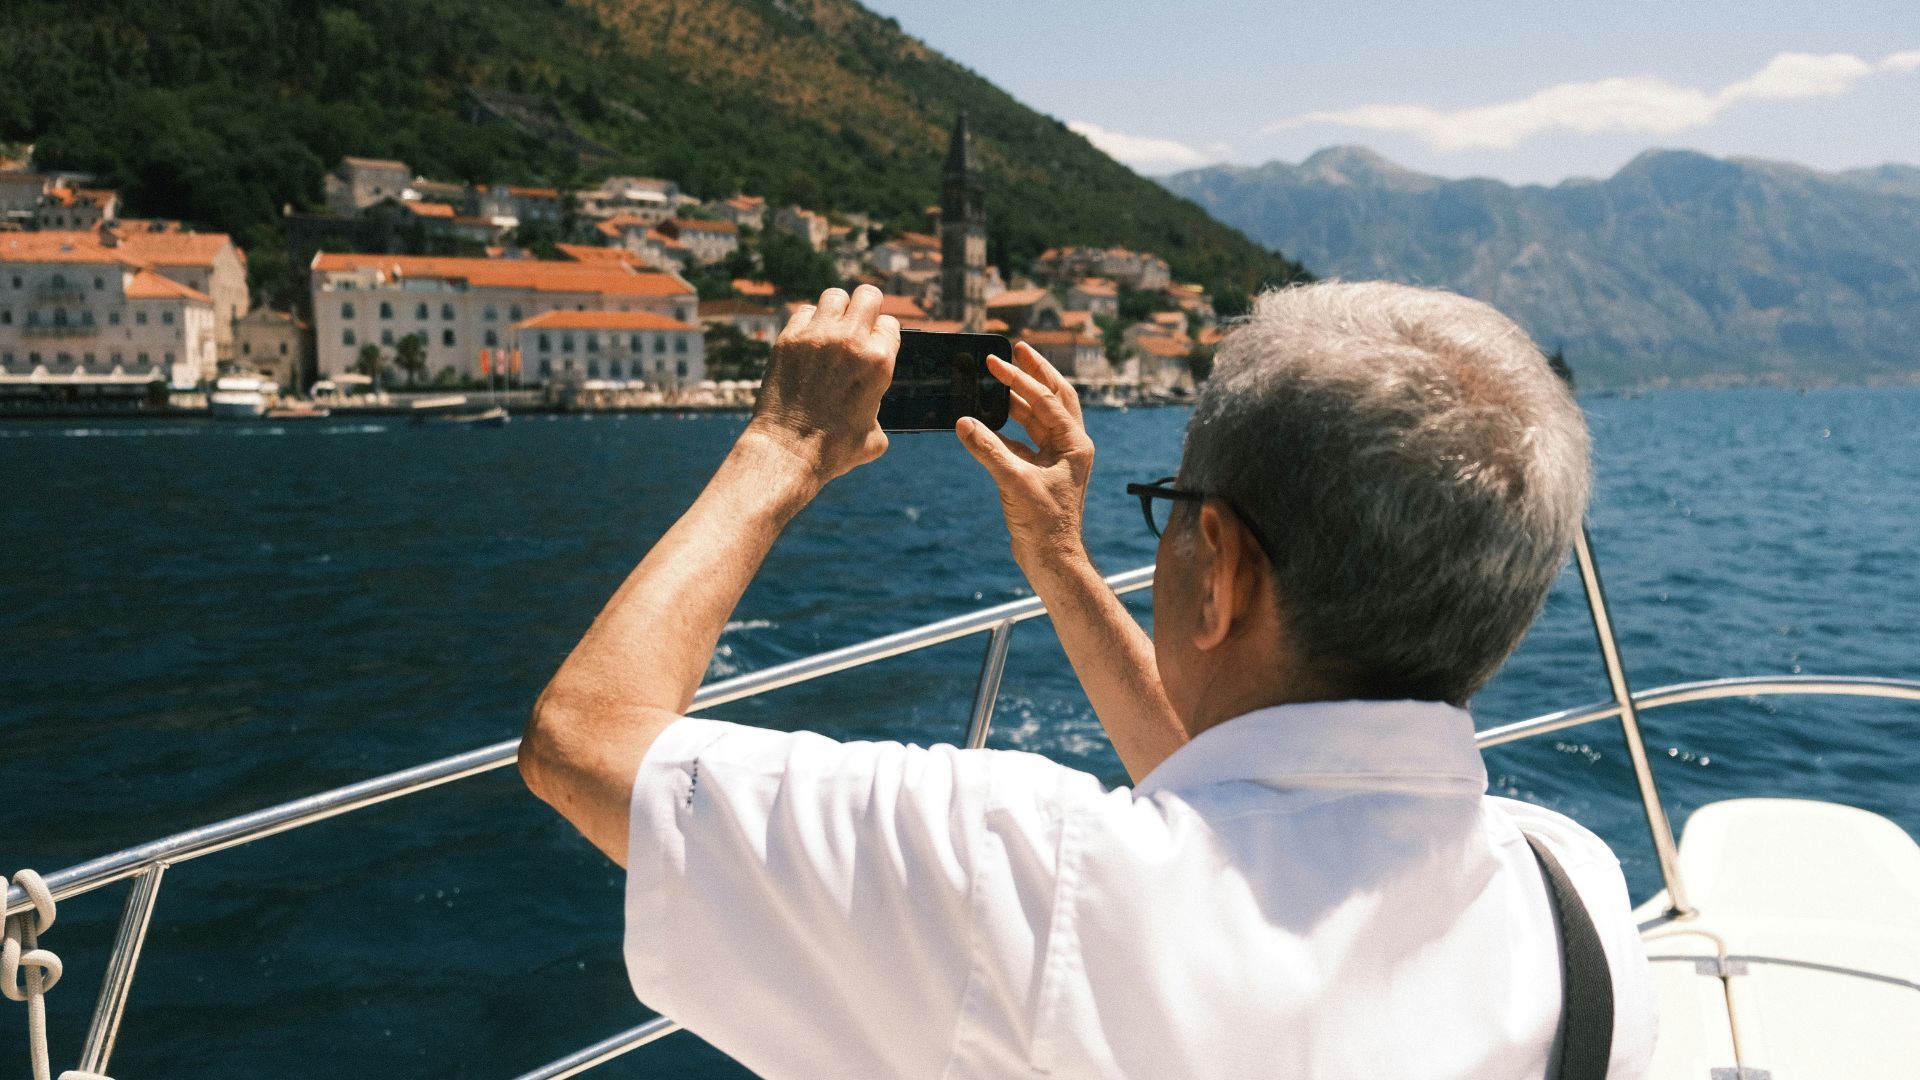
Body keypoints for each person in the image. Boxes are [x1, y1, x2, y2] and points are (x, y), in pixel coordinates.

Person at [520, 281, 1658, 1078]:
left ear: (1218, 569)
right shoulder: (1573, 897)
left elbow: (585, 739)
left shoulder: (1018, 876)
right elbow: (1246, 818)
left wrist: (779, 448)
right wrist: (1063, 560)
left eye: (1171, 515)